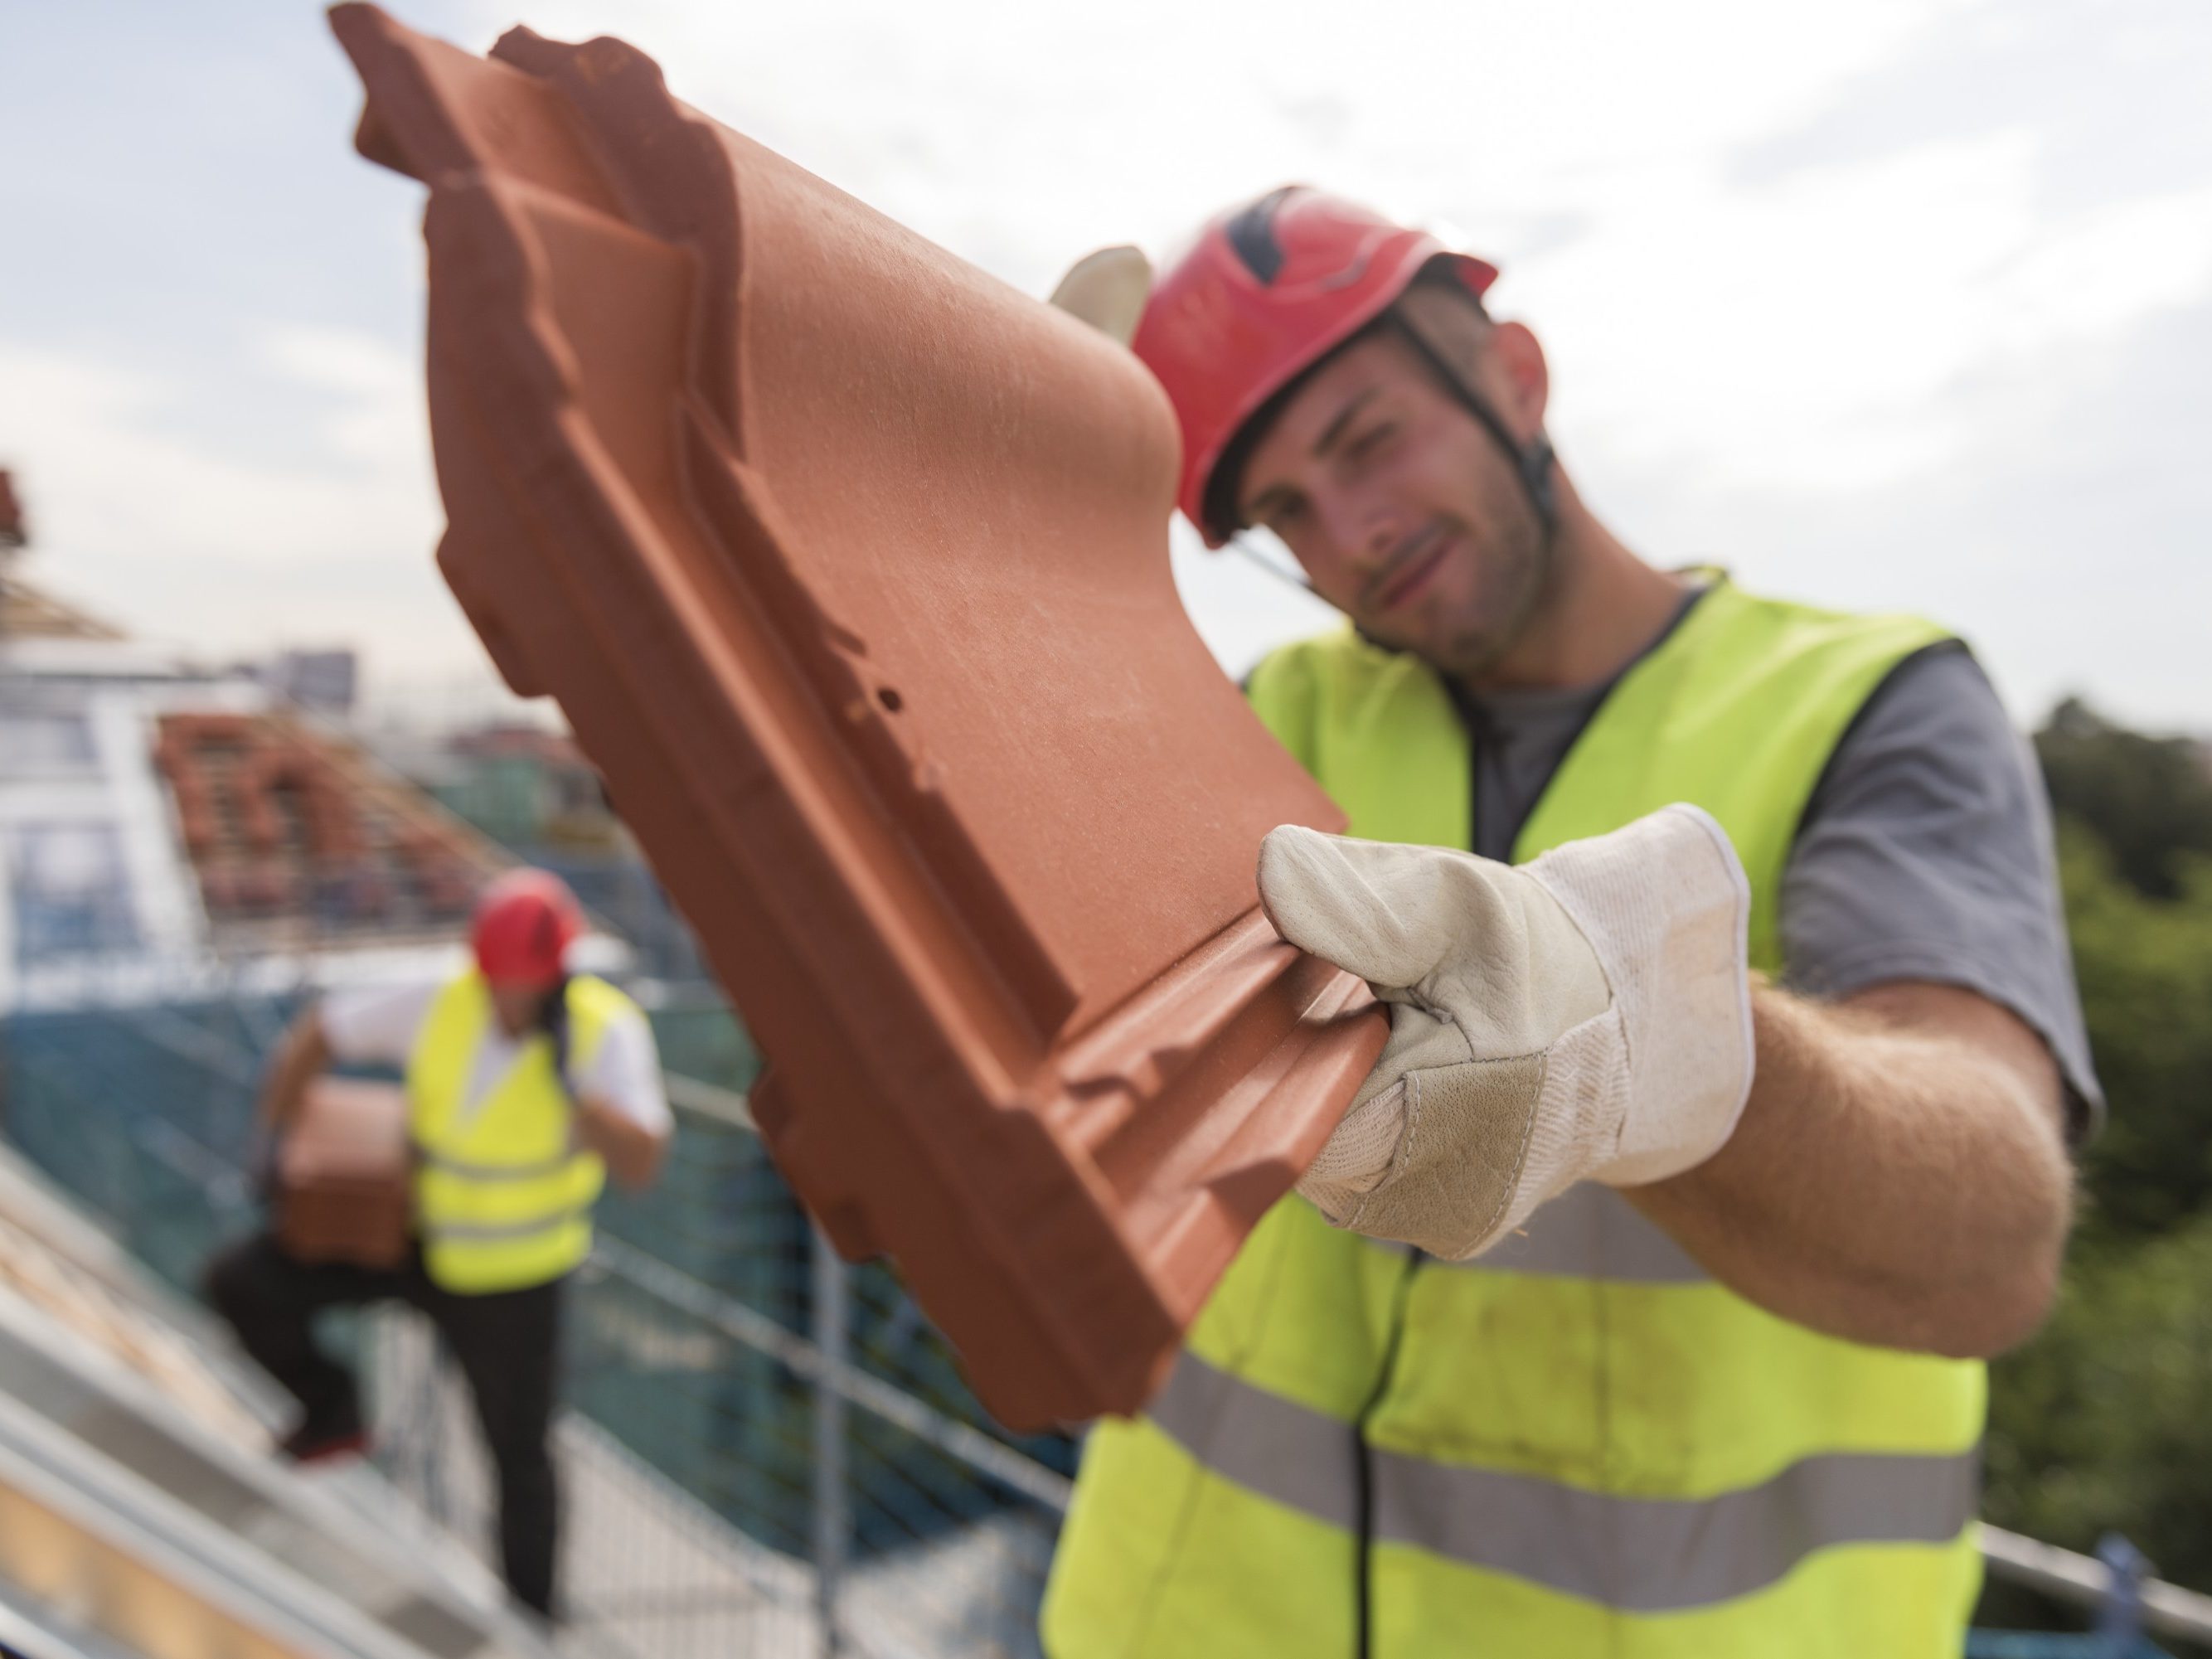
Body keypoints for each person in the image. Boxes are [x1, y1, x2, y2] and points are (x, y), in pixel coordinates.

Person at [1041, 187, 2101, 1657]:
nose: (1349, 530)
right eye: (1281, 507)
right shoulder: (1274, 716)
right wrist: (1021, 559)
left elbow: (1987, 1227)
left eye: (1368, 440)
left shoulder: (1862, 707)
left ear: (1514, 378)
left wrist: (1647, 1040)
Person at [204, 868, 671, 1619]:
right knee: (243, 1282)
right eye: (498, 981)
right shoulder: (439, 1001)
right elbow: (318, 1035)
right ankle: (333, 1409)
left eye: (525, 984)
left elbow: (642, 1163)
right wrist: (274, 1144)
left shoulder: (605, 1031)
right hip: (416, 1241)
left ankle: (529, 1620)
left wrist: (573, 1088)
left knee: (517, 1457)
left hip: (517, 1279)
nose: (509, 999)